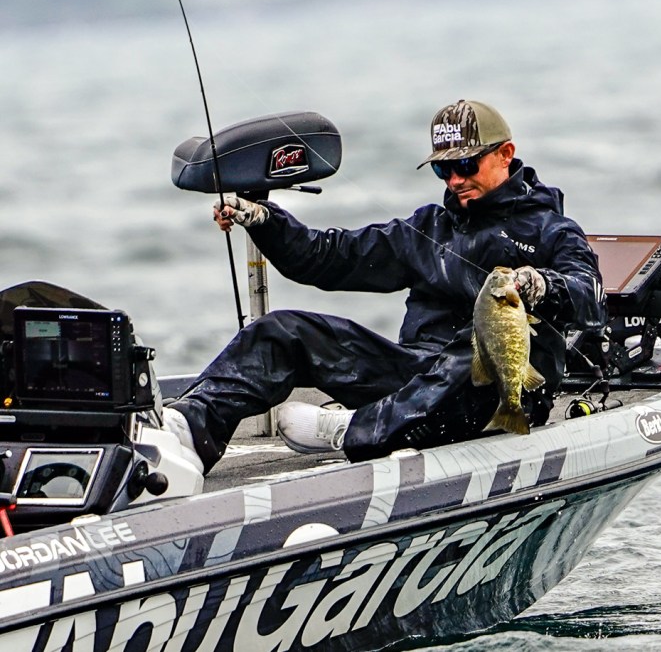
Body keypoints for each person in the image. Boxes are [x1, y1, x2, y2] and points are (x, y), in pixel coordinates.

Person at [162, 99, 605, 474]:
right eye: (443, 169)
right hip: (417, 380)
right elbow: (328, 257)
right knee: (281, 331)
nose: (454, 180)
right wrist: (264, 220)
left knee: (477, 342)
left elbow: (590, 295)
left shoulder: (553, 230)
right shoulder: (428, 228)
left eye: (466, 165)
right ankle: (185, 428)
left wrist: (542, 284)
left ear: (506, 154)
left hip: (503, 392)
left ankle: (356, 428)